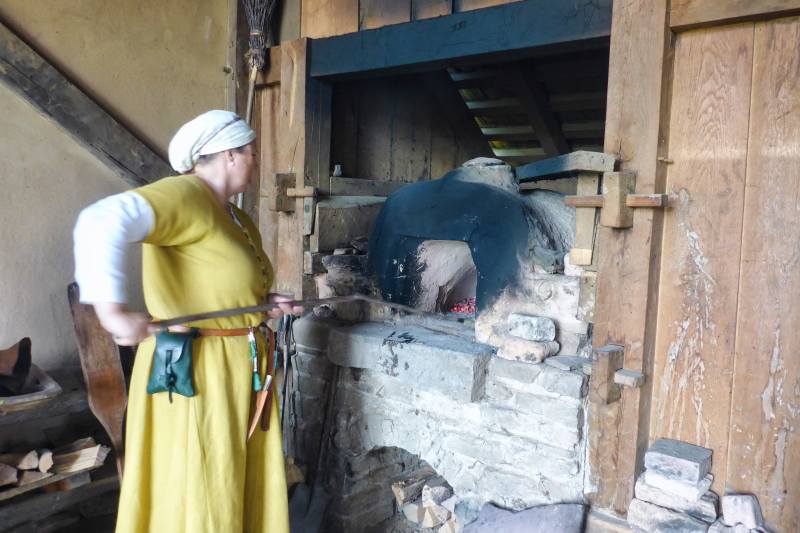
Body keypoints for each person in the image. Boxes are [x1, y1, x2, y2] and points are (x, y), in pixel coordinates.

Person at [73, 110, 298, 533]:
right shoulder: (187, 195)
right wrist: (111, 313)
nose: (256, 162)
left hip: (238, 369)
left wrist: (260, 304)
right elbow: (100, 220)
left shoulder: (236, 216)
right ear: (229, 155)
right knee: (201, 482)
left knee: (230, 479)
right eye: (251, 153)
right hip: (197, 369)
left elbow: (219, 282)